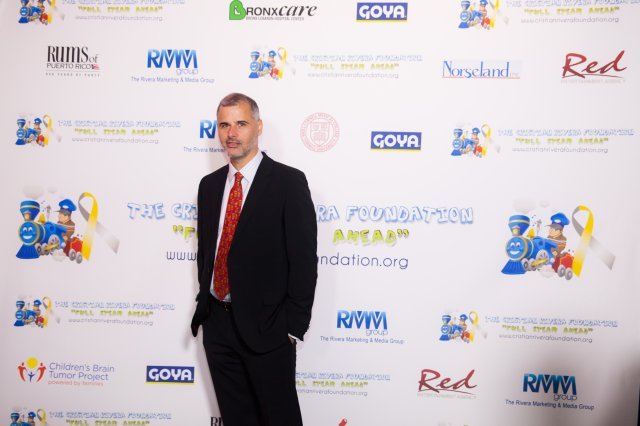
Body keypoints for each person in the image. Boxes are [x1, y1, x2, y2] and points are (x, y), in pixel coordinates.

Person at [190, 93, 317, 426]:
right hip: (217, 326)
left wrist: (292, 328)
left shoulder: (288, 182)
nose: (231, 133)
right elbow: (207, 252)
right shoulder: (209, 186)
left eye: (241, 123)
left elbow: (303, 260)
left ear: (258, 127)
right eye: (224, 125)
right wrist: (205, 310)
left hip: (268, 328)